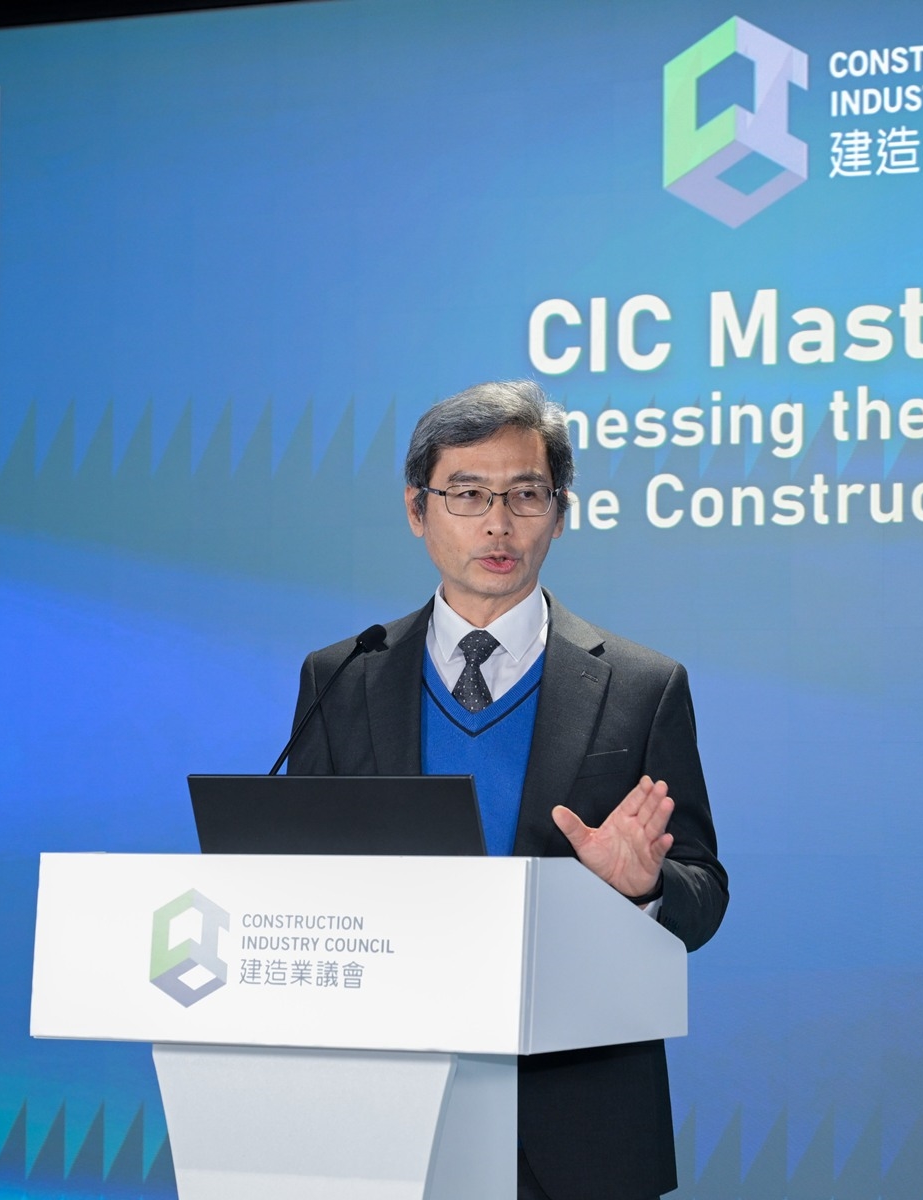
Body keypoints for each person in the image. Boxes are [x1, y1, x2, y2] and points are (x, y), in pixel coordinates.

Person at [285, 380, 728, 1200]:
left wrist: (643, 889)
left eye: (526, 495)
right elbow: (299, 878)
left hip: (580, 1120)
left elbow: (703, 893)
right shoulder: (341, 677)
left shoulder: (641, 685)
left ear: (560, 514)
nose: (498, 523)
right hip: (388, 1104)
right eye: (467, 494)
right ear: (417, 510)